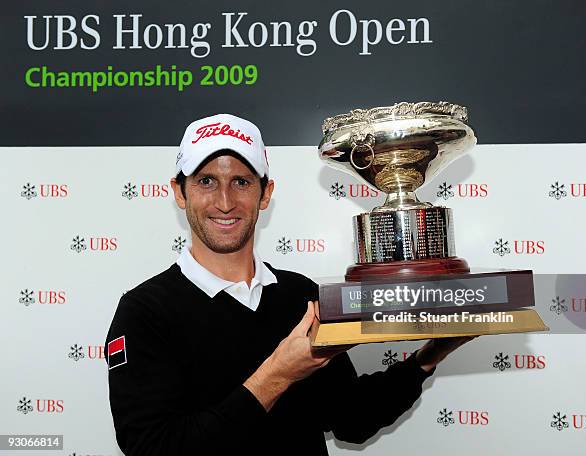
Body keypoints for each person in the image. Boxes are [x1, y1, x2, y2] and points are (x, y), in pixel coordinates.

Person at [104, 113, 474, 455]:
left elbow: (351, 419)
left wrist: (433, 352)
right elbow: (155, 449)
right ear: (180, 192)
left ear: (265, 194)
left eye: (241, 182)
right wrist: (279, 372)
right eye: (205, 181)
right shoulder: (144, 312)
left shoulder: (299, 294)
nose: (225, 201)